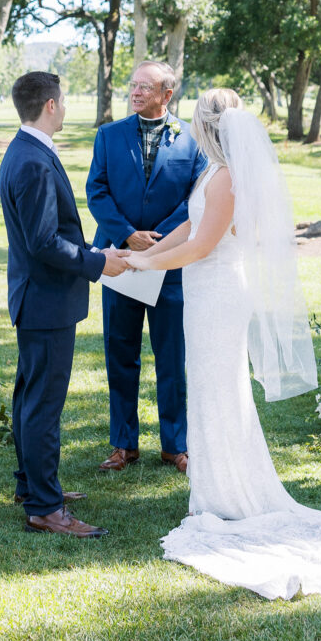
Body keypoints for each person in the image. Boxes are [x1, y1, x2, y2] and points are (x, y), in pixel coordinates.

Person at [124, 88, 321, 599]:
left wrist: (144, 265)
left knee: (220, 389)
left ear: (207, 127)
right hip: (203, 292)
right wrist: (142, 251)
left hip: (220, 294)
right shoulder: (214, 171)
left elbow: (206, 244)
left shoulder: (229, 176)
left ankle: (229, 496)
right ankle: (212, 489)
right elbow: (189, 224)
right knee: (209, 389)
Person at [0, 71, 127, 537]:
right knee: (42, 406)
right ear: (50, 105)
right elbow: (43, 243)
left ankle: (30, 486)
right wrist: (97, 261)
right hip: (45, 300)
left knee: (30, 398)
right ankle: (45, 508)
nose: (67, 107)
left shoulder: (26, 149)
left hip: (40, 298)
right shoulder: (32, 160)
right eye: (65, 99)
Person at [86, 60, 206, 474]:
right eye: (132, 86)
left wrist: (158, 241)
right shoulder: (109, 135)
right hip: (119, 261)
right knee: (120, 354)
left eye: (144, 87)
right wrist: (126, 235)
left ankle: (175, 445)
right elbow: (96, 190)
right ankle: (124, 444)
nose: (135, 92)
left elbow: (196, 198)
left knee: (172, 357)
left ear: (166, 94)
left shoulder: (193, 139)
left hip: (171, 263)